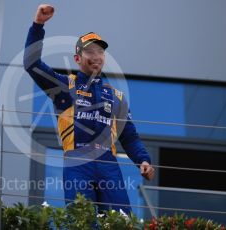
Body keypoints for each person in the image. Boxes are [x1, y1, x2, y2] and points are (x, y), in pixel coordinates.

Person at [24, 4, 155, 214]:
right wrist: (38, 25)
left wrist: (143, 159)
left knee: (120, 222)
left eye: (100, 51)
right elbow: (32, 64)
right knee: (81, 221)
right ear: (77, 59)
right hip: (77, 162)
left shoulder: (116, 96)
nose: (96, 55)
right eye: (89, 51)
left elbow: (129, 137)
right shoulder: (64, 86)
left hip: (108, 164)